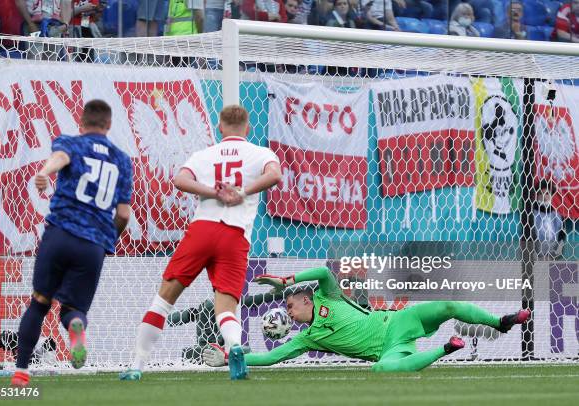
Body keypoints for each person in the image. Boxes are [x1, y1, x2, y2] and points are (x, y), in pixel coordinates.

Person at [120, 105, 282, 381]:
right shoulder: (261, 153)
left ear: (220, 127)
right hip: (235, 235)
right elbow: (275, 175)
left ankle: (136, 366)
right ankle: (234, 348)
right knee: (226, 308)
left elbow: (179, 179)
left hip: (203, 229)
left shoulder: (203, 155)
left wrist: (212, 192)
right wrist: (241, 191)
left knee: (164, 300)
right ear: (248, 127)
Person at [10, 100, 134, 387]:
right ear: (109, 125)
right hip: (92, 246)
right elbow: (124, 214)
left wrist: (45, 171)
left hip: (61, 234)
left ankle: (21, 372)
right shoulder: (122, 160)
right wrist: (106, 240)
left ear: (81, 122)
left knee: (40, 302)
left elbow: (61, 158)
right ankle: (75, 328)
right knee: (73, 310)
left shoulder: (71, 143)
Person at [203, 267, 531, 371]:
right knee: (382, 369)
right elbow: (271, 357)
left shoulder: (327, 295)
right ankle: (446, 349)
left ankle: (499, 322)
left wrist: (284, 282)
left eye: (289, 307)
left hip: (397, 321)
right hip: (389, 349)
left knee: (446, 305)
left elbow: (323, 272)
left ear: (305, 299)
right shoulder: (308, 337)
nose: (287, 314)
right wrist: (235, 355)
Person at [533, 180, 565, 259]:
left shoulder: (558, 216)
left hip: (552, 257)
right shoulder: (531, 214)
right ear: (537, 195)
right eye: (541, 193)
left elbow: (562, 238)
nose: (544, 197)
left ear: (551, 195)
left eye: (547, 193)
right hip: (536, 256)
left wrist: (555, 255)